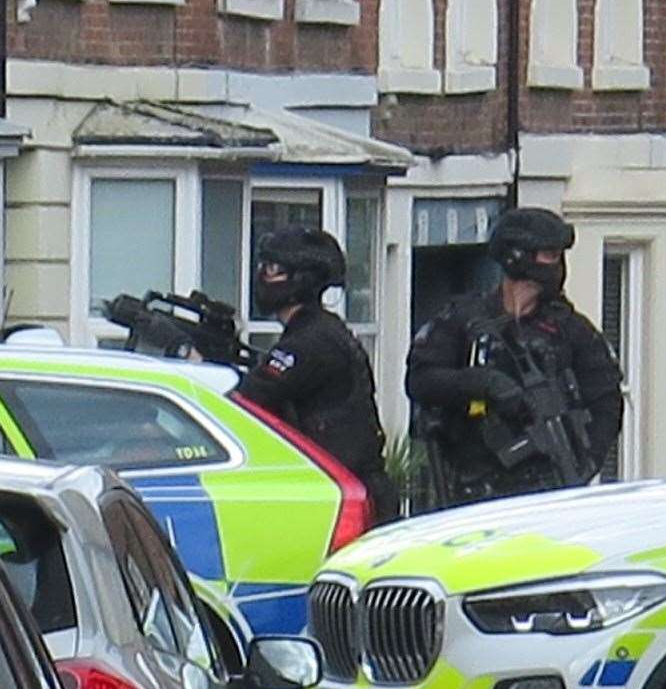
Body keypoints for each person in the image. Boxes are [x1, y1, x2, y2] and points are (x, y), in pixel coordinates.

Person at [406, 207, 624, 507]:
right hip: (471, 491)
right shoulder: (465, 319)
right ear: (517, 257)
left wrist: (587, 461)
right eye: (549, 255)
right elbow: (421, 380)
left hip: (549, 492)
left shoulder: (572, 330)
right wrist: (485, 383)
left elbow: (606, 401)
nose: (557, 266)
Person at [236, 226, 398, 524]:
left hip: (344, 500)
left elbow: (246, 404)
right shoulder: (321, 330)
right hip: (350, 491)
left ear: (300, 279)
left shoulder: (310, 342)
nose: (261, 276)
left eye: (272, 269)